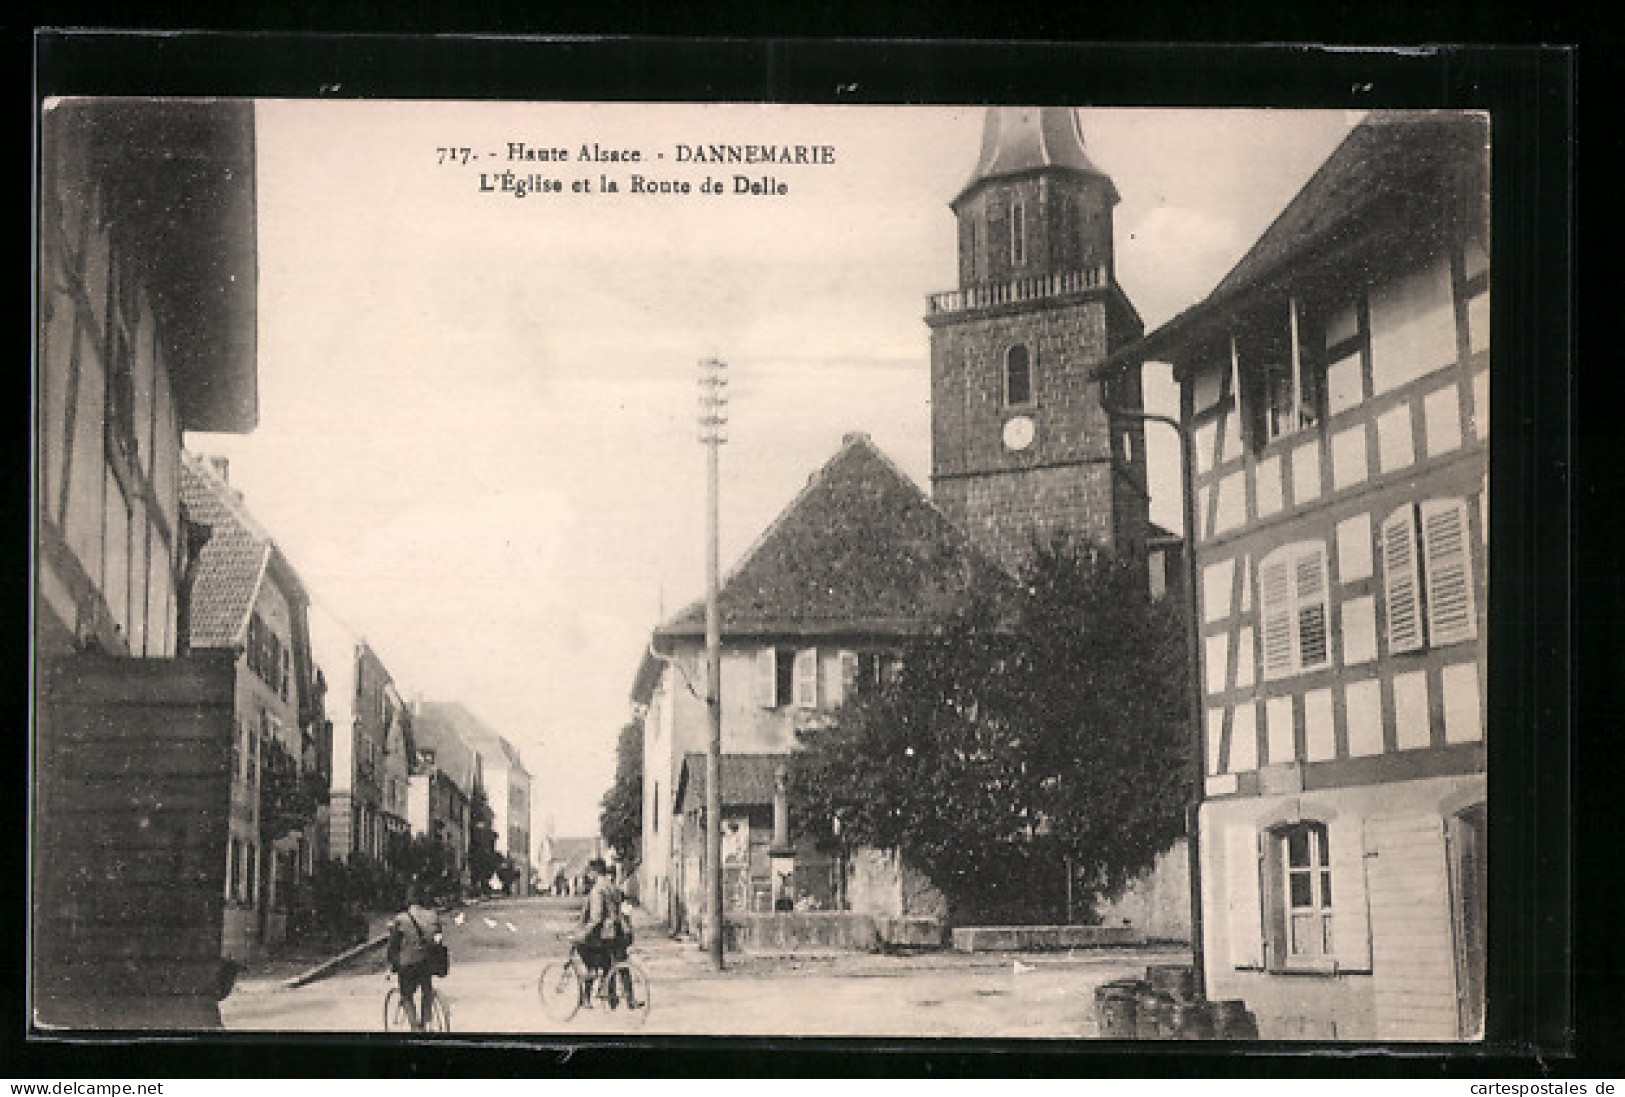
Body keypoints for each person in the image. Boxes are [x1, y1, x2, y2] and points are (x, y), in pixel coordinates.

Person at [573, 858, 636, 1008]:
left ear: (595, 872)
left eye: (590, 872)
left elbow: (596, 917)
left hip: (606, 933)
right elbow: (625, 906)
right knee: (620, 963)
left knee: (590, 959)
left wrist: (583, 934)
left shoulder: (597, 890)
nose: (588, 875)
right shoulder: (613, 886)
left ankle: (587, 998)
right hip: (621, 931)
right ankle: (628, 999)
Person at [386, 882, 445, 1031]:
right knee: (427, 991)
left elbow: (393, 946)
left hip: (408, 964)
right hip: (427, 962)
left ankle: (415, 1028)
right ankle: (426, 1021)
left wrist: (392, 965)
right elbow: (438, 938)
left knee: (406, 995)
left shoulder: (401, 919)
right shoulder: (433, 916)